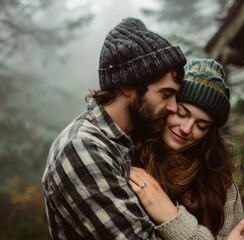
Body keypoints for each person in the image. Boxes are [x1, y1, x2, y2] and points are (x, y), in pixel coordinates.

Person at [42, 17, 188, 239]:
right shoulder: (81, 149)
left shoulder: (132, 137)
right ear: (128, 85)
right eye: (165, 94)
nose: (173, 107)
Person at [130, 58, 244, 240]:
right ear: (168, 106)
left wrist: (171, 217)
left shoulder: (220, 181)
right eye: (181, 114)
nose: (186, 129)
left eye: (202, 125)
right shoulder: (132, 160)